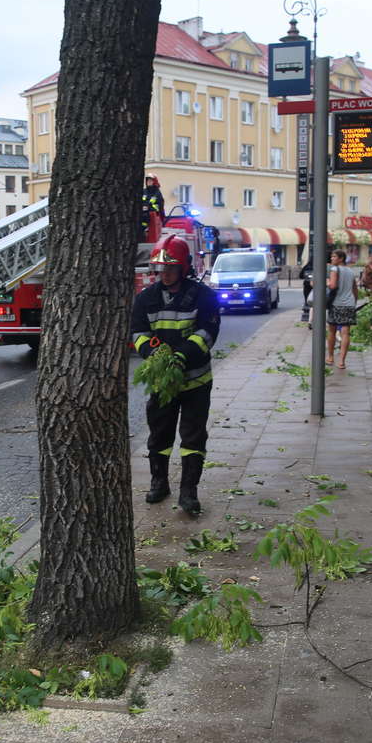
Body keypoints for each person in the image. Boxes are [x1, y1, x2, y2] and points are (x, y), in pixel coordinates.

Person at [130, 234, 220, 516]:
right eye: (160, 269)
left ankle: (189, 492)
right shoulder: (146, 298)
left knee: (193, 437)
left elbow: (207, 332)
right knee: (159, 435)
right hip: (162, 382)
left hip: (196, 381)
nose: (164, 273)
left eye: (170, 268)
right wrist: (155, 356)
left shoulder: (203, 296)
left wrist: (181, 356)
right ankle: (159, 483)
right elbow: (138, 333)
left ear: (184, 267)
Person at [325, 249, 358, 369]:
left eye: (334, 257)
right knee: (345, 333)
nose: (331, 258)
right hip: (349, 304)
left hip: (336, 304)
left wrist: (326, 281)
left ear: (341, 259)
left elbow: (333, 285)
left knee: (332, 331)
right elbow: (355, 289)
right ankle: (342, 361)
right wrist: (354, 302)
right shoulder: (350, 271)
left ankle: (330, 357)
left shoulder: (334, 269)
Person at [140, 174, 164, 241]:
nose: (148, 182)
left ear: (154, 182)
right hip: (142, 215)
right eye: (147, 181)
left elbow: (160, 206)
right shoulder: (144, 191)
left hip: (153, 216)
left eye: (150, 181)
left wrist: (149, 208)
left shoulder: (157, 193)